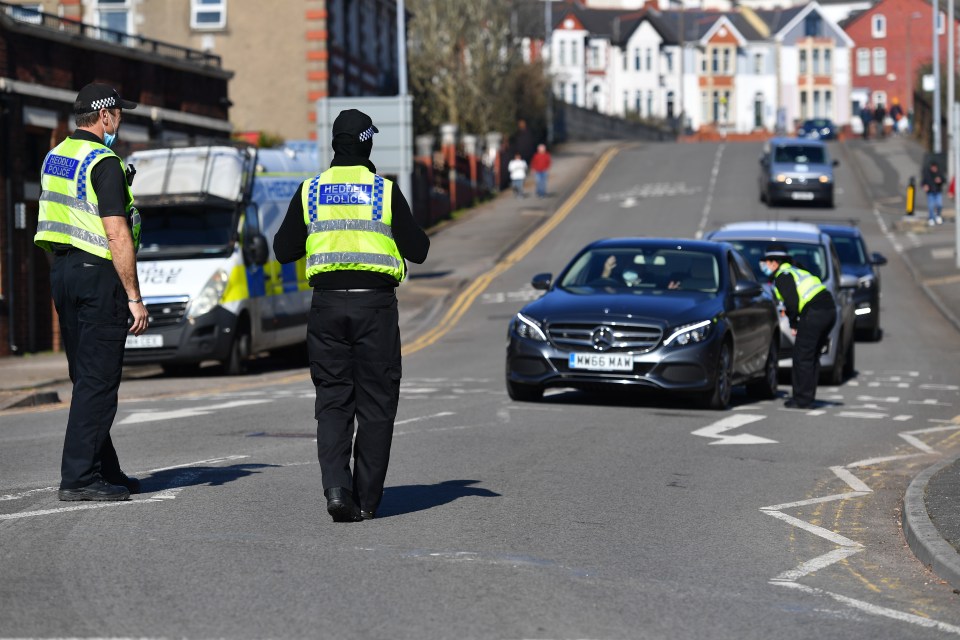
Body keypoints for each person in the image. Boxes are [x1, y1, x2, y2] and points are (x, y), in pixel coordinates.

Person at [273, 109, 430, 522]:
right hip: (374, 307)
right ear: (366, 143)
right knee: (376, 405)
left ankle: (337, 490)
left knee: (333, 400)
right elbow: (419, 250)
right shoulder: (384, 190)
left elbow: (283, 249)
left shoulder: (310, 190)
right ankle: (366, 500)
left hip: (326, 307)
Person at [34, 83, 147, 501]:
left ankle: (104, 469)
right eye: (119, 113)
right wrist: (133, 296)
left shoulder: (55, 155)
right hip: (97, 274)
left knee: (85, 377)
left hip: (63, 272)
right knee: (98, 382)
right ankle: (79, 477)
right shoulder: (104, 161)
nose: (120, 121)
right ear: (104, 116)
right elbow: (116, 233)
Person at [760, 245, 835, 409]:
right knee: (812, 355)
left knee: (802, 356)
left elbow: (792, 302)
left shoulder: (783, 276)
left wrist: (794, 323)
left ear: (774, 263)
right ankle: (807, 397)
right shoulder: (796, 271)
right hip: (828, 310)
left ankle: (801, 399)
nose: (764, 266)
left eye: (766, 262)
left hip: (815, 312)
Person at [922, 160, 945, 226]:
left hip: (938, 192)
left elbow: (944, 180)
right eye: (932, 167)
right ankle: (931, 218)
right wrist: (925, 186)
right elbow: (923, 182)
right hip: (930, 192)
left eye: (935, 167)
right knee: (931, 206)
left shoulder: (939, 173)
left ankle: (938, 216)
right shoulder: (927, 174)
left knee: (939, 205)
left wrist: (940, 180)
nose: (934, 168)